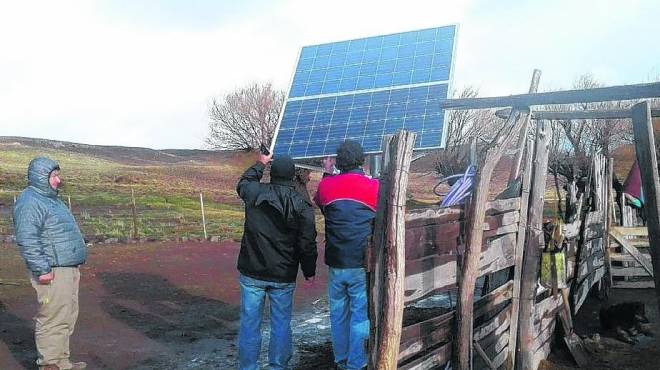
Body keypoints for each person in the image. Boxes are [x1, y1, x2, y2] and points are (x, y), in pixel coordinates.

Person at [236, 151, 318, 370]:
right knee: (281, 324)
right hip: (283, 274)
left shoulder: (254, 192)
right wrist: (309, 270)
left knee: (249, 324)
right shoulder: (301, 205)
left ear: (272, 173)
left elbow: (244, 182)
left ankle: (248, 367)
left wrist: (260, 163)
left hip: (252, 271)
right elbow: (307, 242)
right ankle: (278, 366)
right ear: (292, 176)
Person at [12, 157, 87, 370]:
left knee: (67, 314)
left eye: (57, 175)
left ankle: (62, 362)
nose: (58, 180)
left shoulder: (51, 199)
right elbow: (28, 238)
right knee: (53, 316)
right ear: (41, 176)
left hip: (66, 267)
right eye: (54, 176)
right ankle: (50, 364)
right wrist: (42, 269)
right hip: (52, 269)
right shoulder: (30, 202)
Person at [314, 140, 379, 370]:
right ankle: (356, 363)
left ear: (338, 161)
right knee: (360, 315)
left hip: (335, 261)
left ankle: (341, 360)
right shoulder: (374, 187)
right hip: (361, 262)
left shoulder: (326, 186)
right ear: (362, 160)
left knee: (338, 313)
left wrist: (327, 173)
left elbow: (320, 202)